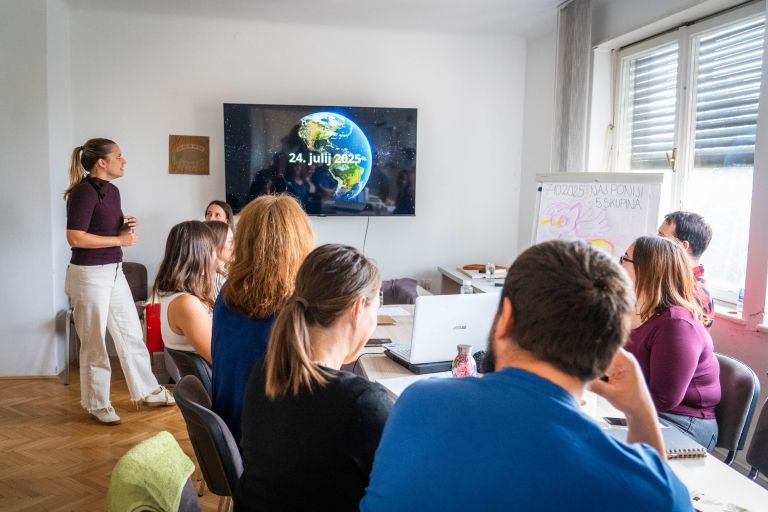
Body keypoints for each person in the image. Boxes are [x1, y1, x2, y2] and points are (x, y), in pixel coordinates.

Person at [361, 240, 692, 511]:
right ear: (611, 349)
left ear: (504, 318)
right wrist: (639, 409)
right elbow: (661, 492)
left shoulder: (417, 404)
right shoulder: (650, 490)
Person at [236, 244, 391, 511]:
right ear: (358, 308)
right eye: (375, 310)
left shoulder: (268, 368)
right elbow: (402, 491)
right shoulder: (360, 403)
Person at [64, 138, 174, 426]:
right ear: (102, 162)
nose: (123, 161)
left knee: (129, 334)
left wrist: (123, 227)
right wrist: (120, 239)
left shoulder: (111, 191)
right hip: (89, 275)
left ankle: (148, 390)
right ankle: (97, 403)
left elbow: (99, 229)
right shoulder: (82, 192)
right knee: (94, 342)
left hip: (113, 271)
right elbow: (75, 237)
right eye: (119, 156)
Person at [211, 194, 314, 442]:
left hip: (234, 433)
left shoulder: (228, 292)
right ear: (299, 242)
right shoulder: (293, 306)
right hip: (269, 445)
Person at [620, 235, 721, 451]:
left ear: (648, 269)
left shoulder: (677, 324)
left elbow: (664, 399)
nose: (618, 265)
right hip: (644, 407)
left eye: (625, 259)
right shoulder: (634, 307)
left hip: (683, 422)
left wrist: (606, 392)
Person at [153, 221, 216, 365]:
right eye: (212, 249)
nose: (214, 255)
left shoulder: (179, 296)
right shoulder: (186, 304)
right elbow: (220, 359)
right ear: (199, 254)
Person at [658, 211, 714, 329]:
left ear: (683, 247)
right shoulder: (674, 280)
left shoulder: (693, 295)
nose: (655, 241)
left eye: (662, 237)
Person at [204, 220, 234, 299]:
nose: (236, 245)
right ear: (214, 244)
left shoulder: (225, 274)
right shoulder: (219, 280)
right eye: (230, 241)